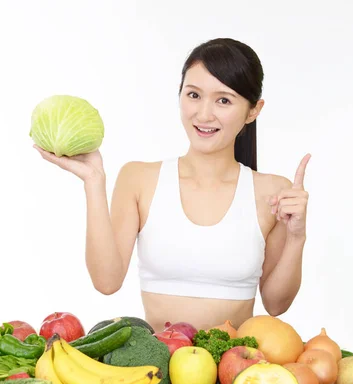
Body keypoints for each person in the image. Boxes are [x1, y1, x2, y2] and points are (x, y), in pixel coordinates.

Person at [33, 38, 311, 333]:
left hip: (234, 370)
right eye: (193, 95)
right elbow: (107, 282)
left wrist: (297, 237)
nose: (204, 114)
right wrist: (94, 181)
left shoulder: (272, 191)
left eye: (224, 100)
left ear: (254, 111)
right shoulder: (138, 179)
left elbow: (276, 304)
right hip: (157, 367)